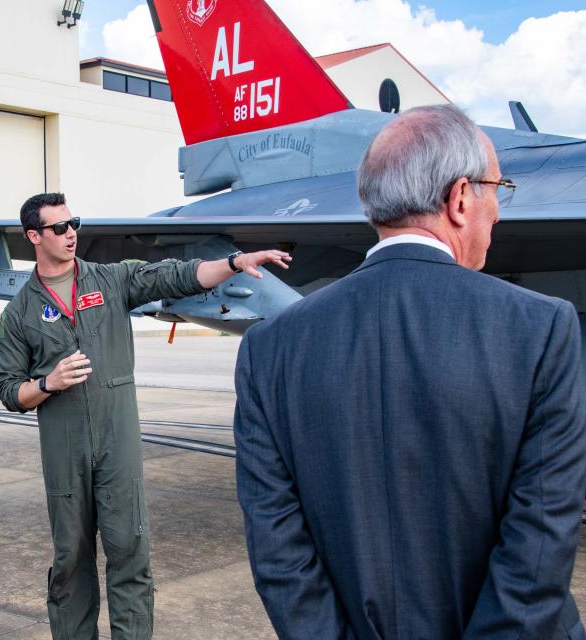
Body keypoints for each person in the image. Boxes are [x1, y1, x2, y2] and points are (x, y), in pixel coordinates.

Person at [234, 104, 586, 639]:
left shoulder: (270, 348)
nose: (500, 212)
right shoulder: (542, 328)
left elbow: (280, 554)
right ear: (461, 198)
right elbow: (539, 543)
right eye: (498, 189)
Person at [0, 192, 291, 639]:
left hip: (118, 445)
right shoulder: (19, 313)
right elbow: (7, 390)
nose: (71, 233)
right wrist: (46, 384)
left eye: (74, 223)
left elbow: (177, 276)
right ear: (34, 236)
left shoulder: (110, 280)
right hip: (65, 449)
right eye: (59, 228)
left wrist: (232, 263)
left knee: (129, 550)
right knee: (70, 558)